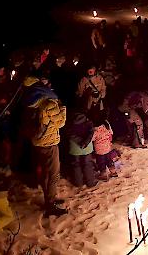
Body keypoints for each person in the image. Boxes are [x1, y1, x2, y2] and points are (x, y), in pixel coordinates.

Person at [22, 76, 68, 217]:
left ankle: (49, 198)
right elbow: (60, 122)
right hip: (49, 142)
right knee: (53, 174)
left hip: (37, 141)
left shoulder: (30, 102)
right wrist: (63, 108)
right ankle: (51, 203)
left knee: (45, 172)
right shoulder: (48, 103)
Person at [66, 111, 97, 187]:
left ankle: (78, 183)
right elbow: (91, 133)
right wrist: (84, 142)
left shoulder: (69, 123)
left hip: (75, 148)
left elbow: (70, 134)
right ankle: (90, 182)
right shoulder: (88, 122)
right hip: (86, 147)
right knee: (88, 164)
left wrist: (79, 141)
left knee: (76, 165)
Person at [92, 112, 118, 181]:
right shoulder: (106, 126)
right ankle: (113, 172)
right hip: (107, 148)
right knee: (109, 161)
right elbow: (111, 133)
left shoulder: (95, 130)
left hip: (99, 150)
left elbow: (92, 139)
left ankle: (103, 175)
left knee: (101, 163)